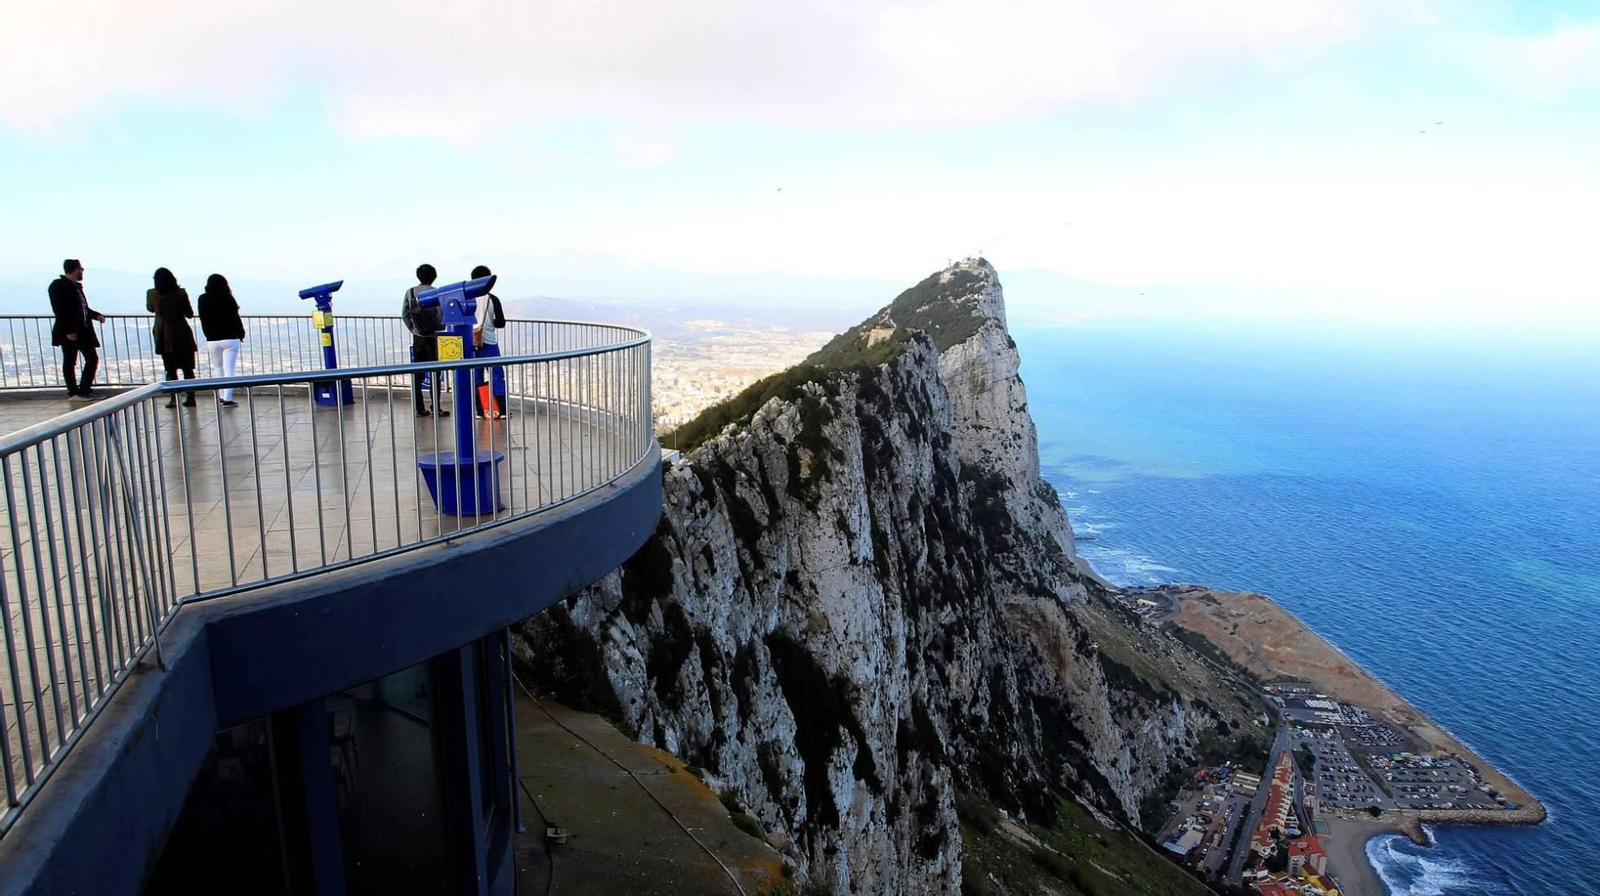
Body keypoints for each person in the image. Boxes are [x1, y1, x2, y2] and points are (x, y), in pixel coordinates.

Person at [48, 259, 106, 400]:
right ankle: (73, 392)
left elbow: (83, 309)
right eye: (81, 269)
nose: (82, 272)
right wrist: (69, 331)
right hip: (70, 332)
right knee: (70, 360)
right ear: (76, 269)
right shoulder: (58, 286)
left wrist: (96, 315)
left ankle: (84, 389)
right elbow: (59, 310)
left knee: (91, 359)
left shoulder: (76, 287)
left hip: (83, 331)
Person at [146, 267, 198, 408]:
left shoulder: (152, 294)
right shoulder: (180, 293)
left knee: (170, 369)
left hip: (163, 335)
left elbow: (150, 308)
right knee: (188, 369)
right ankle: (191, 397)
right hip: (181, 334)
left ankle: (173, 397)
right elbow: (189, 313)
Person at [402, 264, 448, 417]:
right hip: (434, 339)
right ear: (434, 276)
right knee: (435, 373)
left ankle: (419, 408)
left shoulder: (410, 292)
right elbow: (442, 314)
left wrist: (414, 329)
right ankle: (436, 407)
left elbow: (405, 314)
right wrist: (438, 328)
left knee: (417, 374)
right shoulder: (438, 293)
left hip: (418, 339)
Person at [197, 273, 246, 408]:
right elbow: (235, 318)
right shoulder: (227, 298)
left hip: (212, 339)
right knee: (229, 369)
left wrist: (208, 334)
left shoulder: (202, 299)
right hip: (230, 338)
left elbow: (203, 318)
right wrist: (241, 333)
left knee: (218, 368)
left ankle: (220, 396)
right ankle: (228, 398)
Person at [470, 264, 508, 418]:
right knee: (497, 376)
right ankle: (502, 410)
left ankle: (480, 410)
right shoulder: (493, 299)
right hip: (489, 343)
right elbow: (501, 323)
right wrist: (489, 322)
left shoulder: (468, 299)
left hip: (472, 343)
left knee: (476, 377)